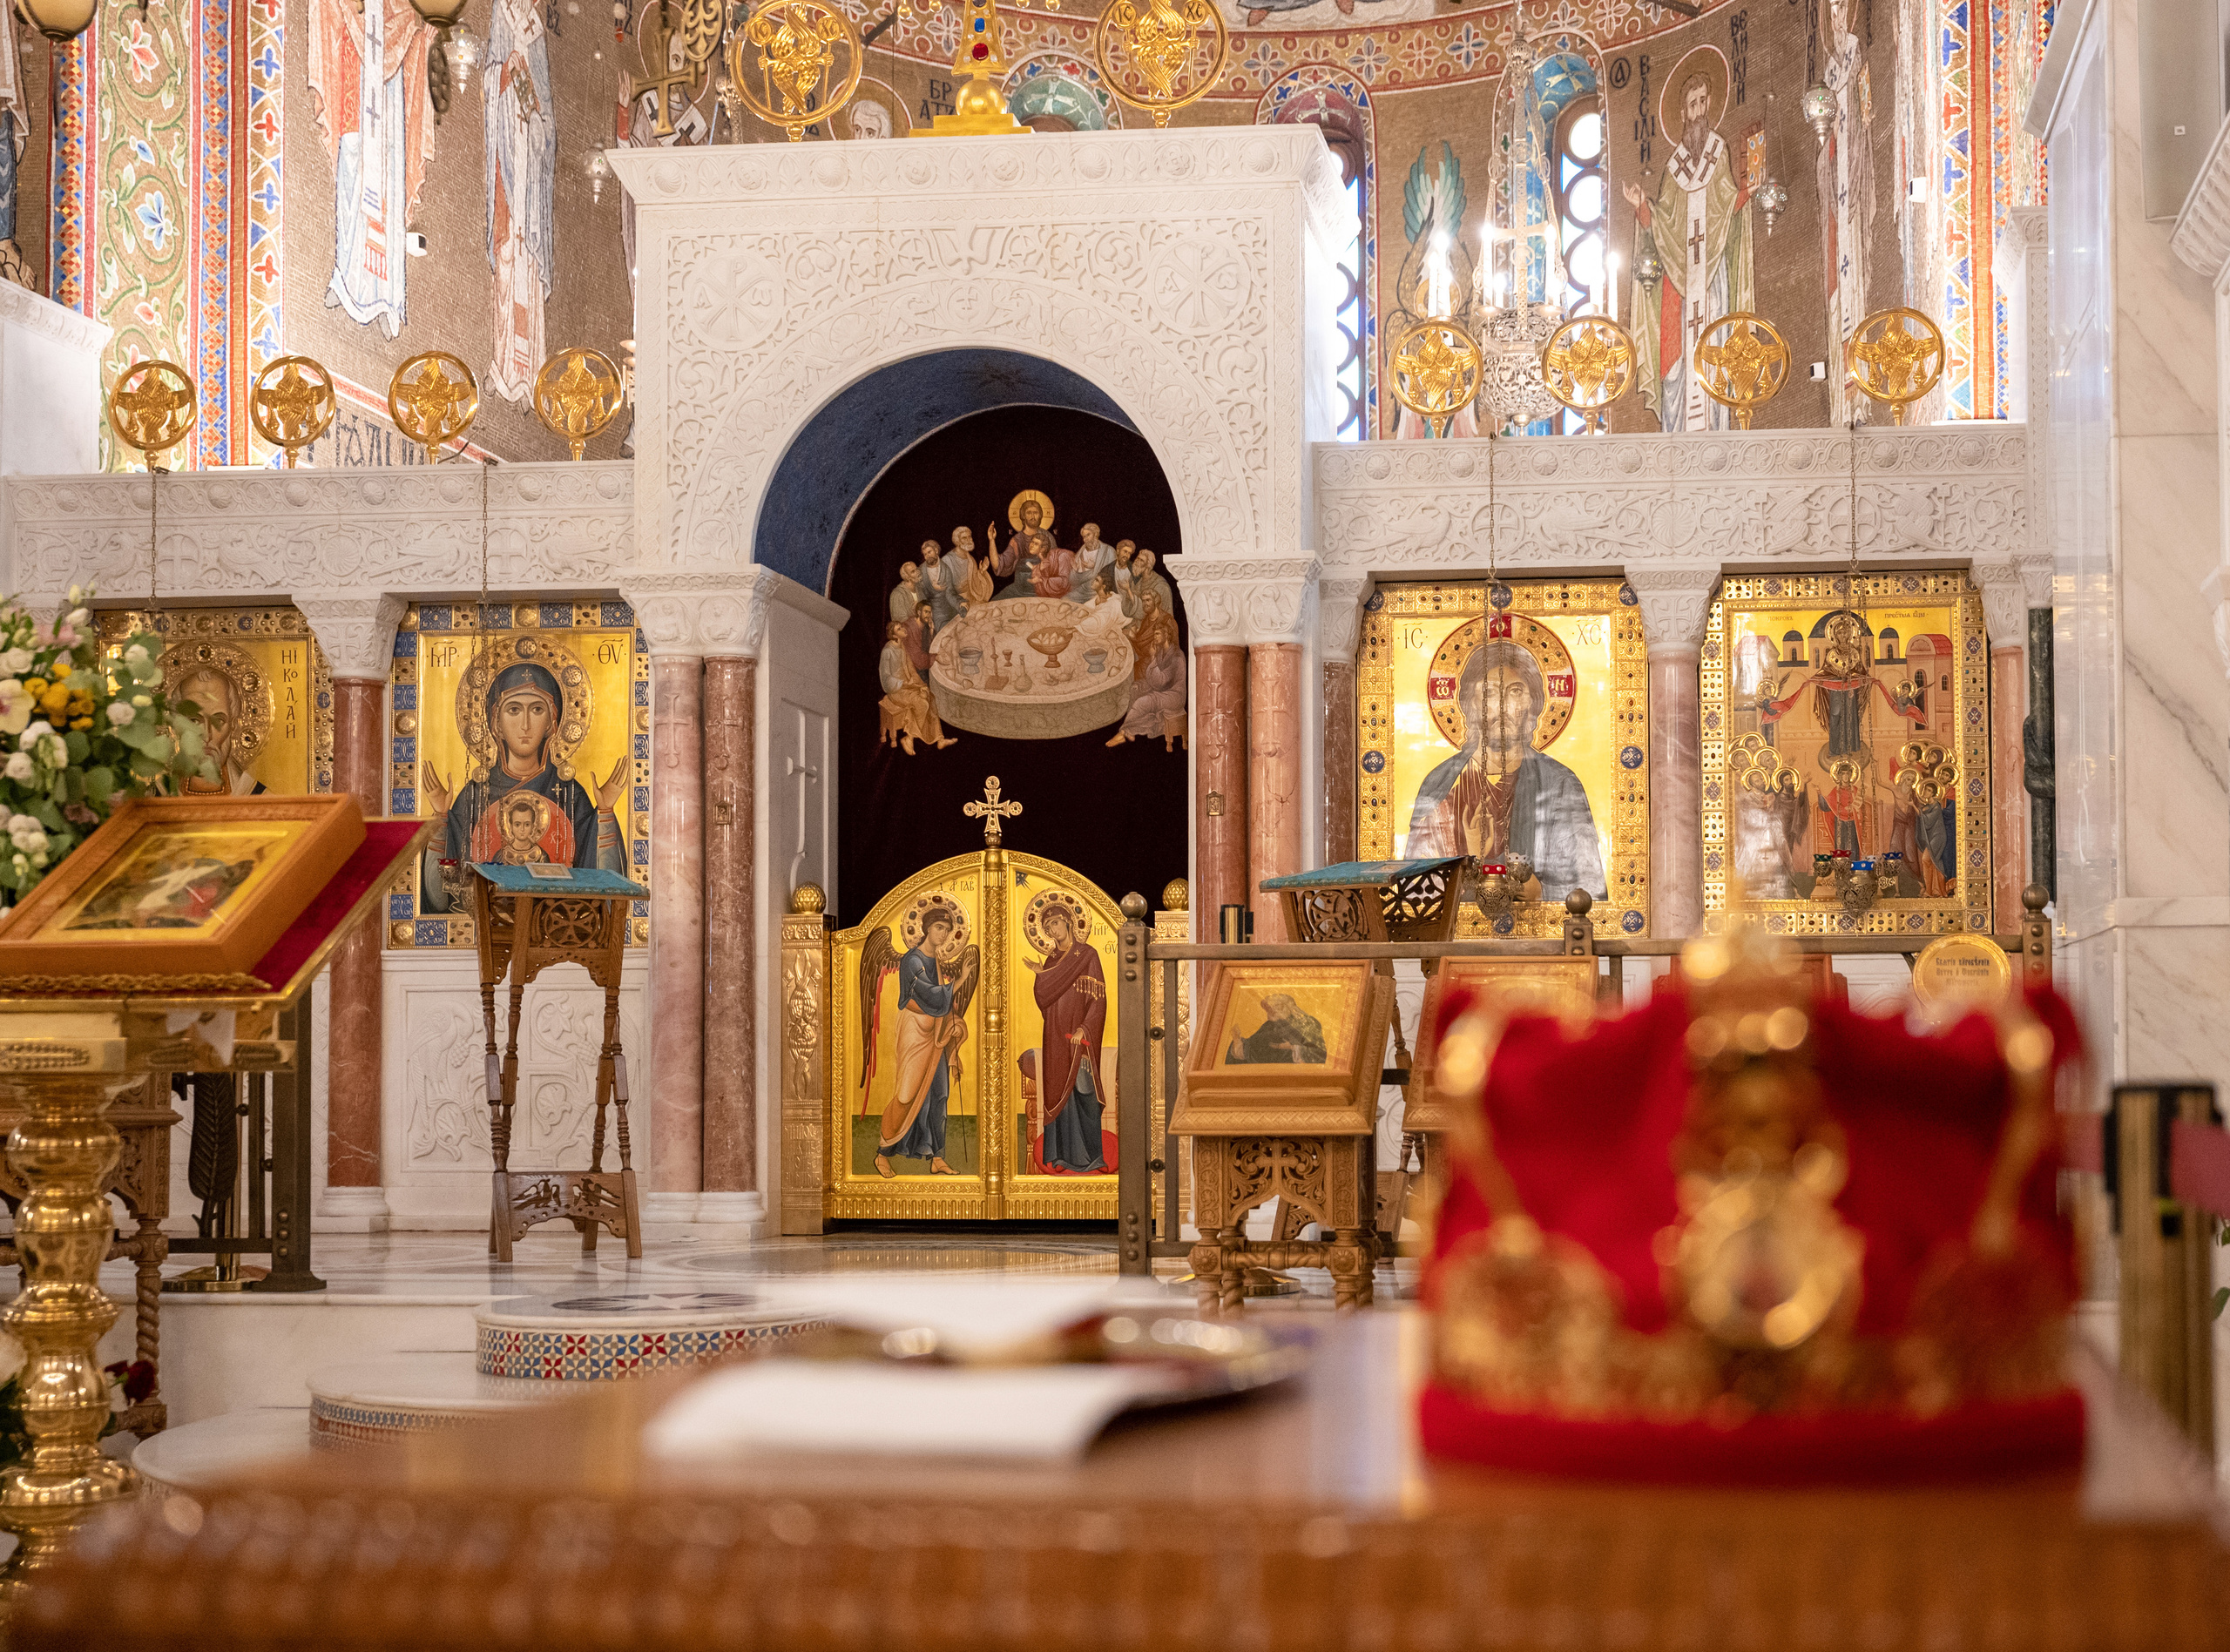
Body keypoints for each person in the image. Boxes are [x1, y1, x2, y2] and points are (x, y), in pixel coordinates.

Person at [420, 659, 626, 914]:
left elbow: (609, 896)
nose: (525, 725)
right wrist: (441, 818)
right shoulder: (473, 796)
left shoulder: (571, 795)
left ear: (552, 722)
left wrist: (604, 813)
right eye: (514, 710)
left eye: (537, 710)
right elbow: (439, 900)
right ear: (496, 723)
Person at [1405, 641, 1605, 898]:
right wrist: (1470, 866)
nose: (1501, 706)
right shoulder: (1440, 785)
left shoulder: (1559, 784)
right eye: (1489, 693)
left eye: (1515, 691)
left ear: (1533, 704)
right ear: (1471, 704)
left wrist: (1541, 893)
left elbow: (1591, 888)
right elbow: (1413, 888)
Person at [1623, 61, 1754, 432]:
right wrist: (1642, 207)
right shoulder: (1673, 167)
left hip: (1711, 275)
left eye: (1702, 103)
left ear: (1710, 105)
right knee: (1676, 359)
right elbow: (1664, 220)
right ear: (1682, 113)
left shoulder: (1719, 151)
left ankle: (1716, 426)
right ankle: (1677, 434)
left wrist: (1748, 191)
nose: (1698, 111)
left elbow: (1726, 203)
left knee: (1715, 345)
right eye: (1692, 105)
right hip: (1678, 284)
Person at [877, 904, 965, 1177]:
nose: (944, 935)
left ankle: (937, 1157)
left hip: (936, 1035)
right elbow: (927, 995)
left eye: (948, 931)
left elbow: (942, 1006)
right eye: (940, 928)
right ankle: (882, 1153)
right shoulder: (912, 960)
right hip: (915, 1032)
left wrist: (954, 1047)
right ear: (927, 928)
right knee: (907, 1094)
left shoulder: (937, 960)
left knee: (939, 1094)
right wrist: (959, 982)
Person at [1024, 902, 1108, 1175]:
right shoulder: (1051, 961)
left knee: (1084, 1090)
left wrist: (1086, 1027)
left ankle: (1092, 1158)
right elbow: (1043, 997)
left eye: (1056, 924)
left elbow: (1099, 1000)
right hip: (1055, 1037)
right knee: (1058, 1091)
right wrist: (1042, 975)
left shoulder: (1087, 955)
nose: (1053, 931)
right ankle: (1060, 1157)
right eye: (1048, 928)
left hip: (1079, 1037)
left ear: (1069, 923)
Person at [172, 665, 266, 796]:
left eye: (219, 721)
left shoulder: (259, 798)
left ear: (233, 725)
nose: (207, 736)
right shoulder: (156, 796)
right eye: (194, 721)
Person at [1106, 604, 1186, 750]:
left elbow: (1161, 681)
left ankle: (1123, 732)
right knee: (1136, 689)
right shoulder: (1162, 652)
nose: (1154, 637)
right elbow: (1153, 679)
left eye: (1157, 634)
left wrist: (1153, 658)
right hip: (1163, 690)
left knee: (1144, 702)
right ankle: (1131, 731)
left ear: (1166, 635)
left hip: (1174, 696)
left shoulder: (1176, 656)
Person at [877, 621, 954, 757]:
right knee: (921, 703)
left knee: (930, 696)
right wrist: (904, 684)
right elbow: (885, 678)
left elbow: (911, 671)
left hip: (910, 686)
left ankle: (939, 739)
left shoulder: (902, 647)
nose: (903, 630)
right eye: (899, 629)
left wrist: (921, 685)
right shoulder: (888, 651)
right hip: (896, 691)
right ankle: (909, 737)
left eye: (902, 627)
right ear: (894, 634)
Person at [1226, 992, 1327, 1064]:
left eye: (1276, 1007)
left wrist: (1292, 1048)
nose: (1272, 1011)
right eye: (1269, 1009)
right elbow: (1251, 1050)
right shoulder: (1268, 1026)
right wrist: (1236, 1039)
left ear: (1287, 1006)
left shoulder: (1306, 1023)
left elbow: (1319, 1055)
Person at [1068, 523, 1116, 606]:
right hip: (1082, 591)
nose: (1086, 539)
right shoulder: (1082, 552)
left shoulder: (1109, 551)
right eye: (1084, 537)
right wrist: (1075, 571)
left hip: (1098, 592)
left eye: (1088, 535)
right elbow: (1072, 581)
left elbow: (1112, 578)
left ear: (1096, 534)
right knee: (1064, 600)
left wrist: (1093, 567)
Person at [888, 562, 923, 628]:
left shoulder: (920, 589)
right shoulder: (897, 594)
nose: (917, 573)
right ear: (907, 577)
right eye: (913, 571)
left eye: (917, 569)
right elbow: (901, 621)